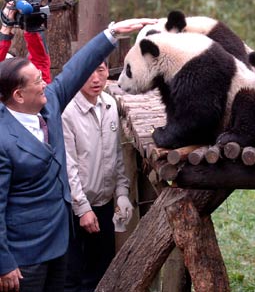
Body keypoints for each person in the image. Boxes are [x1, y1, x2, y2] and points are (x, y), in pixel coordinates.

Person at [0, 17, 157, 292]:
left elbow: (75, 69)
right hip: (23, 257)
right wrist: (3, 262)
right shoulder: (3, 138)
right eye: (38, 80)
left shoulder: (48, 108)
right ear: (19, 95)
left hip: (59, 243)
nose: (45, 82)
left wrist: (111, 33)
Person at [62, 59, 133, 291]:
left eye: (101, 70)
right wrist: (82, 208)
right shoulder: (67, 111)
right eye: (88, 72)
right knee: (74, 275)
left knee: (102, 269)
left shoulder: (110, 104)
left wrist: (122, 193)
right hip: (75, 209)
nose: (95, 79)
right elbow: (68, 166)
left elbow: (117, 154)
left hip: (104, 203)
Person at [1, 1, 51, 83]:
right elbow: (41, 62)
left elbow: (40, 63)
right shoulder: (39, 90)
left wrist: (6, 26)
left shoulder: (34, 88)